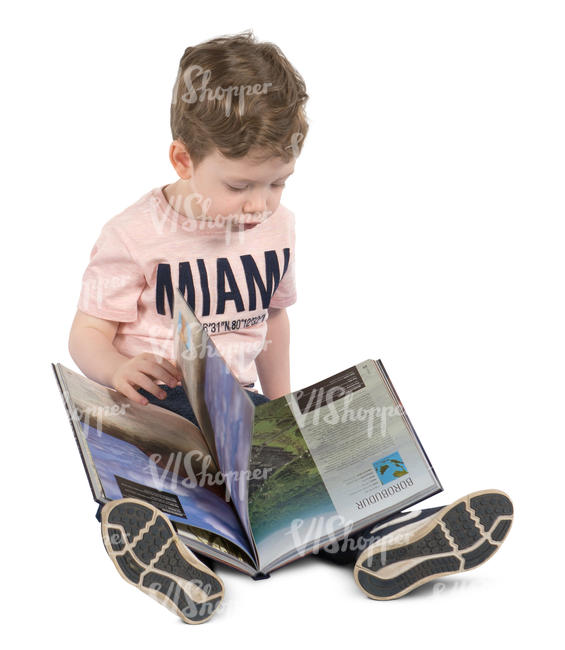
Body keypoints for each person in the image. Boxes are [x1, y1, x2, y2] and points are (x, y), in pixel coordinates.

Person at [68, 31, 513, 625]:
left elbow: (273, 316)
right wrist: (120, 369)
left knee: (305, 484)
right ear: (182, 160)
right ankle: (174, 553)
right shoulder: (133, 234)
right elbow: (86, 336)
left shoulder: (277, 228)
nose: (260, 204)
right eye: (239, 185)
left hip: (239, 415)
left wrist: (284, 408)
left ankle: (390, 543)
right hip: (153, 411)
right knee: (191, 485)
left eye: (278, 183)